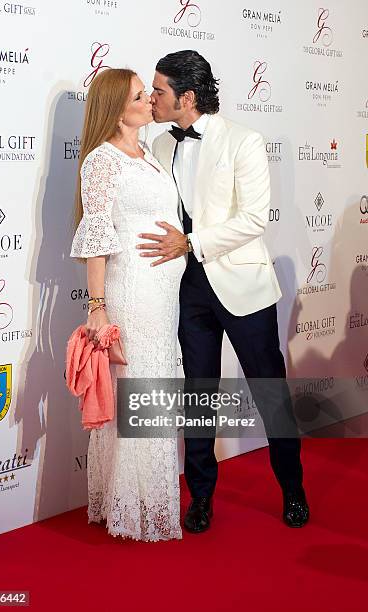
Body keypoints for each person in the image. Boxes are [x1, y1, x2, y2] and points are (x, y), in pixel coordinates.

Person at [137, 50, 309, 532]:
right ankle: (201, 498)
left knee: (270, 392)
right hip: (188, 286)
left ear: (187, 97)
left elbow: (253, 219)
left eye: (160, 91)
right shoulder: (160, 146)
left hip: (242, 285)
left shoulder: (244, 141)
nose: (153, 98)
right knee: (198, 395)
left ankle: (293, 489)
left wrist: (192, 242)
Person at [70, 68, 185, 541]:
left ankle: (147, 500)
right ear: (119, 107)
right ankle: (131, 506)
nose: (150, 100)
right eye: (141, 95)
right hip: (132, 292)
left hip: (164, 295)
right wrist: (96, 307)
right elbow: (96, 236)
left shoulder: (151, 156)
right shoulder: (102, 161)